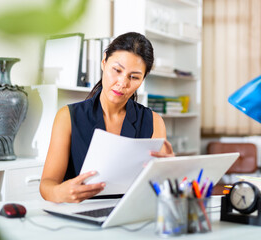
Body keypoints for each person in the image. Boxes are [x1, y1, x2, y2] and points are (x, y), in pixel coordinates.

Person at [40, 32, 174, 203]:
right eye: (117, 70)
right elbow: (47, 185)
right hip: (80, 214)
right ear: (104, 62)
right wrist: (61, 192)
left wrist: (169, 171)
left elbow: (158, 187)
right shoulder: (67, 117)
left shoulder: (154, 121)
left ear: (143, 79)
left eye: (134, 77)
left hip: (131, 214)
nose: (122, 82)